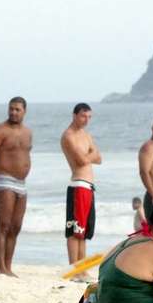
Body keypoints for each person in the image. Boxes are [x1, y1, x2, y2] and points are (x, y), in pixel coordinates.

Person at [0, 97, 32, 277]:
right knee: (3, 224)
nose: (13, 112)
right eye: (11, 109)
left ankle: (8, 267)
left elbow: (23, 156)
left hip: (21, 183)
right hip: (4, 181)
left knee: (16, 226)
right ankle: (1, 268)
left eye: (17, 109)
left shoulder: (27, 132)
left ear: (24, 111)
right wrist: (0, 171)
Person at [60, 103, 101, 267]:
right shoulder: (68, 136)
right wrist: (90, 155)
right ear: (75, 115)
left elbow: (99, 158)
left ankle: (82, 268)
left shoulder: (86, 135)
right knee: (75, 230)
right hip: (78, 185)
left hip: (89, 187)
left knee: (83, 232)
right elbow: (82, 160)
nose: (86, 120)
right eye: (84, 116)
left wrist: (88, 156)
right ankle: (74, 267)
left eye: (89, 117)